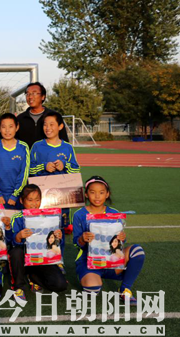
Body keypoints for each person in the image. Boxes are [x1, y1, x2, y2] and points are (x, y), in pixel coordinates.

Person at [74, 176, 145, 305]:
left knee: (137, 251)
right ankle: (91, 275)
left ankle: (125, 289)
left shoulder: (114, 213)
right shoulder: (79, 214)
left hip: (111, 260)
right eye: (92, 192)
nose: (97, 196)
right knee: (92, 290)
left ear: (107, 194)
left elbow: (118, 243)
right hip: (89, 261)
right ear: (86, 194)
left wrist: (122, 238)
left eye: (101, 192)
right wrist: (82, 239)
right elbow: (76, 243)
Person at [9, 184, 67, 300]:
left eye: (37, 200)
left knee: (60, 285)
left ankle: (33, 276)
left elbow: (57, 245)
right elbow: (12, 242)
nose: (34, 204)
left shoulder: (48, 216)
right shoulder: (17, 217)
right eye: (30, 200)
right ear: (21, 201)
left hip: (41, 259)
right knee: (16, 252)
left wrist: (58, 237)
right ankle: (18, 286)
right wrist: (18, 236)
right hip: (23, 259)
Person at [29, 111, 80, 231]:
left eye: (51, 124)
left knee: (60, 228)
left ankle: (61, 241)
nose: (48, 128)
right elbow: (29, 169)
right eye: (45, 124)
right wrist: (43, 166)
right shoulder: (37, 146)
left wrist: (65, 165)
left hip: (62, 195)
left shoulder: (67, 147)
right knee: (42, 226)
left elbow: (76, 170)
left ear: (60, 126)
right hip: (42, 194)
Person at [0, 113, 30, 209]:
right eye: (4, 127)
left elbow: (24, 174)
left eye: (11, 126)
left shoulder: (23, 147)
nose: (7, 130)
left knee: (15, 218)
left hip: (16, 197)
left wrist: (15, 195)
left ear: (17, 127)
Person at [16, 82, 68, 149]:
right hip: (27, 156)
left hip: (49, 155)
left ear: (43, 97)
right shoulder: (20, 119)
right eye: (28, 94)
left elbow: (64, 142)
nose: (30, 97)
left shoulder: (54, 116)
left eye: (34, 93)